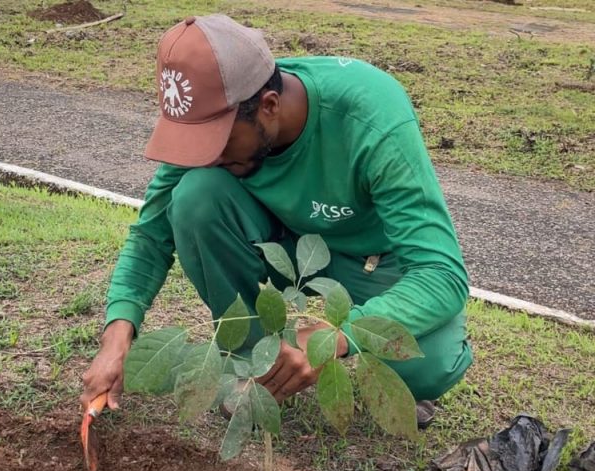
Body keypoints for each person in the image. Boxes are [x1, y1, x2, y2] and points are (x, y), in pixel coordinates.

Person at [81, 14, 472, 427]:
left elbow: (441, 274)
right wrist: (117, 335)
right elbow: (151, 235)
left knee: (428, 366)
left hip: (370, 259)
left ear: (269, 106)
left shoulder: (371, 117)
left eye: (218, 142)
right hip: (281, 242)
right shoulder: (214, 113)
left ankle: (326, 359)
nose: (207, 157)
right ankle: (258, 366)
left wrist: (333, 337)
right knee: (196, 196)